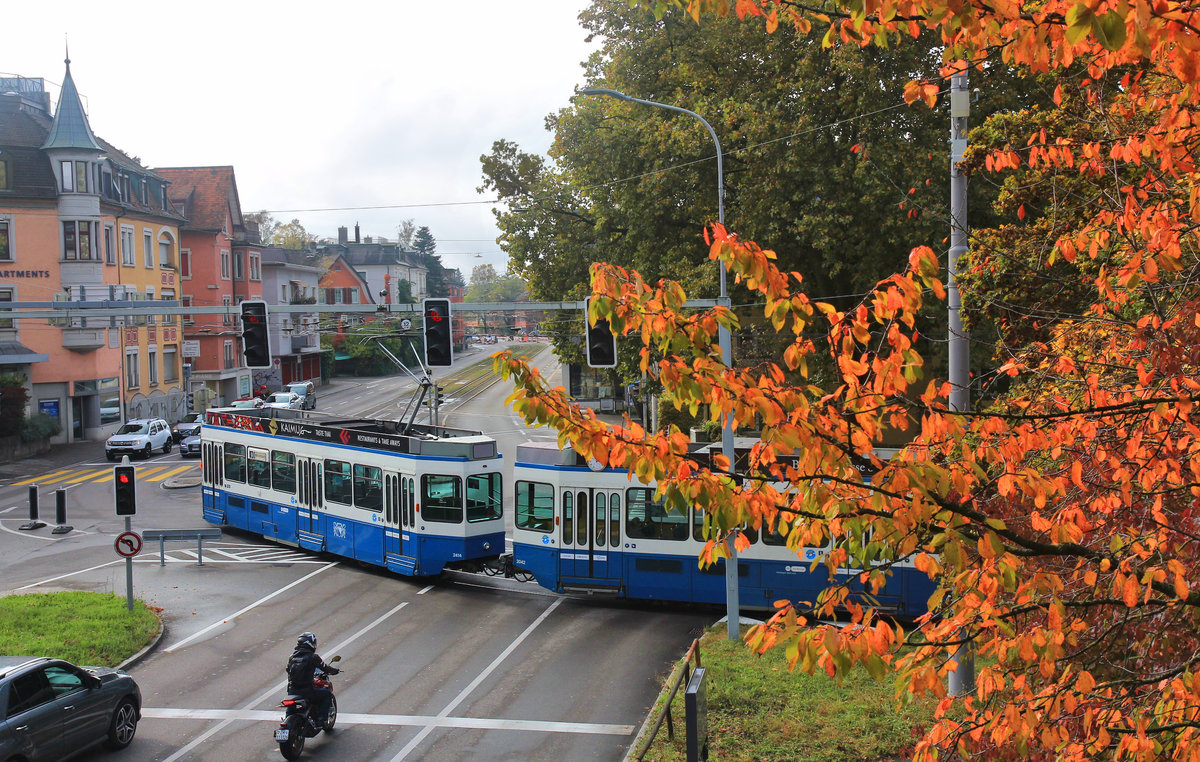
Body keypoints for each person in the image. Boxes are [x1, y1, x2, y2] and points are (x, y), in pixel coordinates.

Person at [286, 632, 339, 726]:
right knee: (327, 694)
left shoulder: (292, 657)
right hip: (307, 692)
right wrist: (335, 671)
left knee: (290, 707)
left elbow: (288, 670)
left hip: (291, 691)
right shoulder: (313, 657)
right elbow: (325, 668)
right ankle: (321, 720)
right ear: (311, 643)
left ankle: (286, 720)